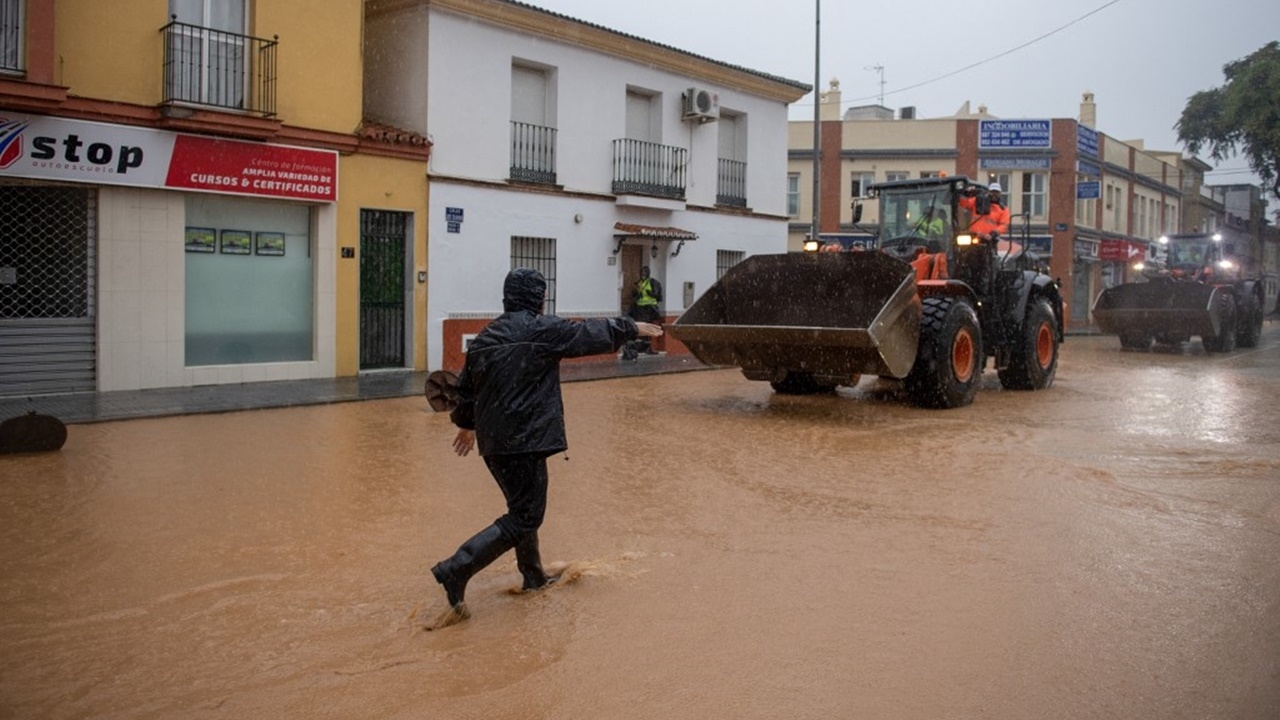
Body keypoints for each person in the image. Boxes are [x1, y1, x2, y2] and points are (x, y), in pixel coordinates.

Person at [429, 267, 662, 628]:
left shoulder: (486, 337)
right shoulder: (541, 330)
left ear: (507, 298)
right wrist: (630, 327)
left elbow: (467, 390)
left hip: (495, 445)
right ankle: (458, 567)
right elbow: (586, 333)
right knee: (526, 516)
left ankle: (533, 574)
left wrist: (466, 425)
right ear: (538, 299)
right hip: (525, 440)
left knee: (521, 508)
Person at [624, 266, 664, 358]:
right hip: (640, 310)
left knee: (648, 329)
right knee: (641, 329)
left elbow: (656, 295)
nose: (643, 274)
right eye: (642, 272)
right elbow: (638, 295)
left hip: (650, 310)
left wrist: (650, 293)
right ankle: (640, 348)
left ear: (648, 273)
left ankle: (647, 348)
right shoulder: (640, 283)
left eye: (645, 272)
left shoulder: (652, 282)